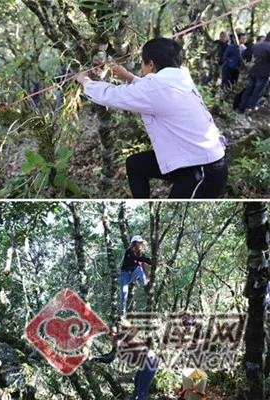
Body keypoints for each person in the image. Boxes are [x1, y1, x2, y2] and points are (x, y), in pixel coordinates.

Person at [73, 37, 228, 199]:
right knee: (136, 164)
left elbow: (112, 95)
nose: (142, 66)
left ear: (151, 64)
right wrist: (130, 78)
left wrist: (85, 80)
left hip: (203, 170)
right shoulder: (179, 77)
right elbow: (158, 93)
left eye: (142, 62)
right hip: (193, 157)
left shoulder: (159, 87)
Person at [93, 326, 158, 400]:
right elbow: (109, 355)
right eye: (110, 334)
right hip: (146, 362)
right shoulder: (117, 342)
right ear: (108, 336)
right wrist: (96, 358)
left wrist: (95, 359)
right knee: (137, 382)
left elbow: (109, 358)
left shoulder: (119, 341)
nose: (113, 335)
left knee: (141, 392)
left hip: (150, 360)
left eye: (114, 333)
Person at [119, 235, 152, 316]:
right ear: (134, 243)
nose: (141, 244)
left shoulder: (140, 253)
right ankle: (122, 313)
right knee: (124, 293)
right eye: (139, 242)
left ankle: (146, 285)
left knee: (139, 268)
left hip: (133, 274)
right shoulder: (129, 251)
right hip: (125, 275)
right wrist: (147, 260)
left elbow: (143, 259)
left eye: (141, 243)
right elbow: (136, 258)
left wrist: (151, 261)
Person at [238, 32, 270, 113]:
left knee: (248, 90)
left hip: (252, 72)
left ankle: (241, 108)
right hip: (263, 74)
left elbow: (248, 57)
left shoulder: (256, 45)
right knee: (256, 93)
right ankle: (248, 109)